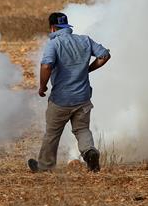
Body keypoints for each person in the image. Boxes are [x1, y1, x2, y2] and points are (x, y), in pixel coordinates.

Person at [28, 12, 111, 174]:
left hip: (61, 99)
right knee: (82, 129)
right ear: (67, 26)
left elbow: (46, 66)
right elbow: (105, 55)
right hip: (83, 98)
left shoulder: (54, 44)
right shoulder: (85, 40)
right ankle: (89, 152)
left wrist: (42, 86)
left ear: (52, 28)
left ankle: (45, 166)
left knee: (52, 133)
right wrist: (87, 70)